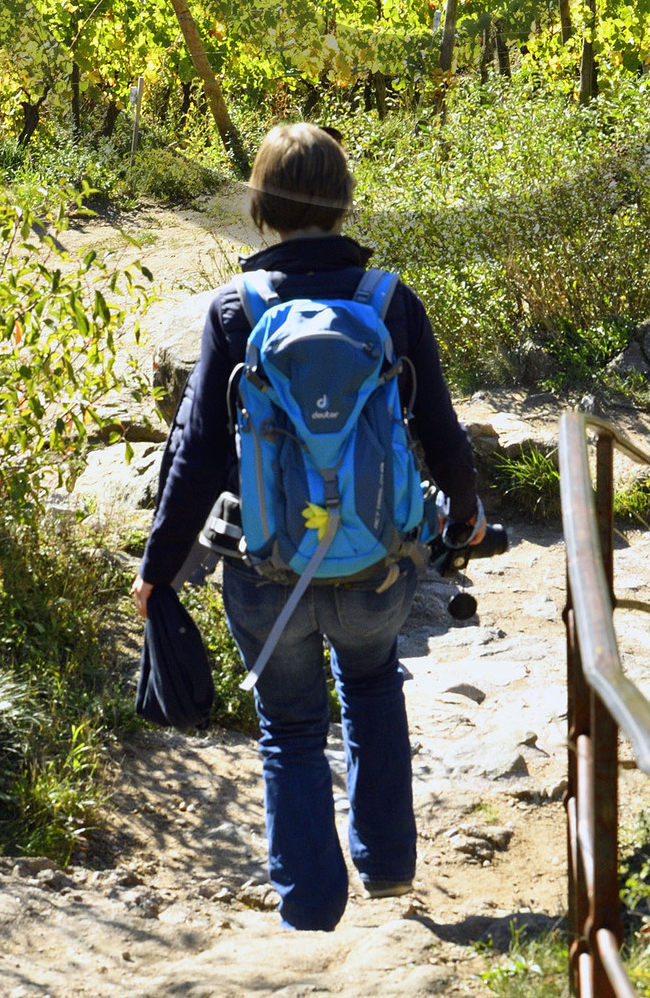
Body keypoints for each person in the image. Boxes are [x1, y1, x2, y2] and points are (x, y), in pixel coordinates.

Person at [134, 121, 482, 931]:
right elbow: (439, 427)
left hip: (265, 569)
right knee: (371, 689)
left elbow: (193, 456)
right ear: (343, 200)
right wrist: (464, 517)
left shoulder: (235, 310)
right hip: (378, 566)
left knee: (289, 724)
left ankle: (309, 909)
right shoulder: (388, 302)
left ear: (261, 206)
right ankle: (389, 867)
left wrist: (161, 564)